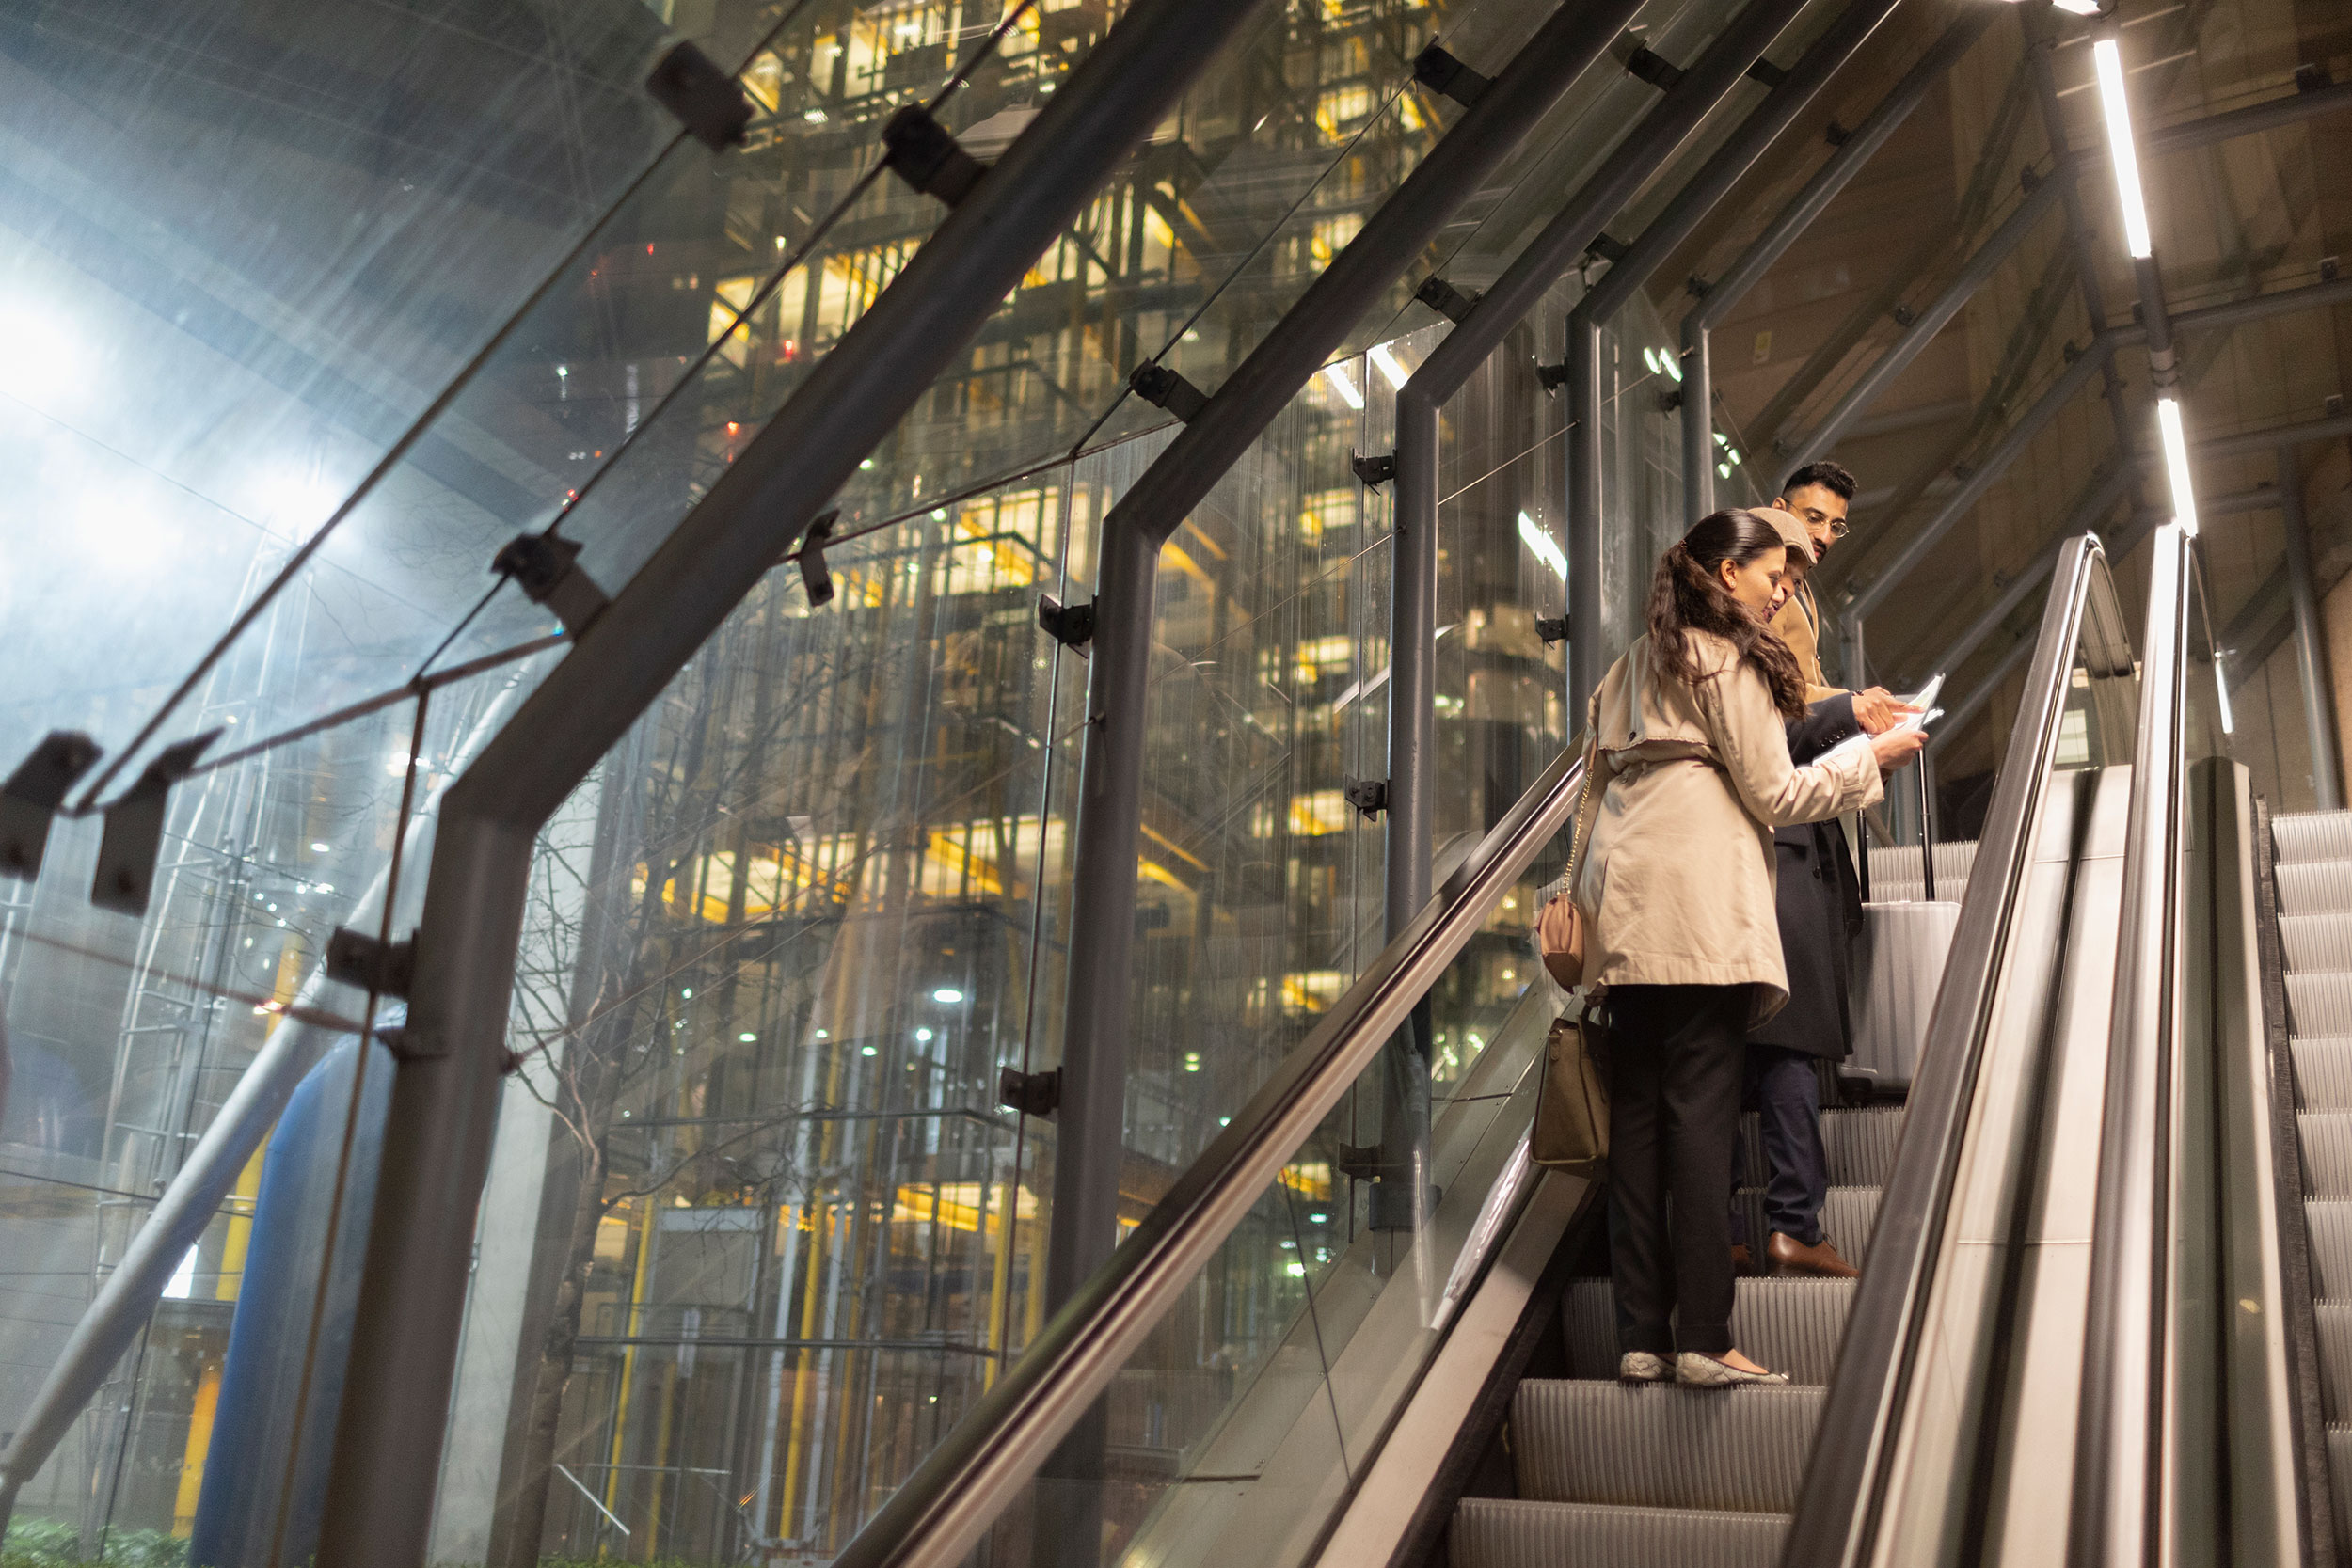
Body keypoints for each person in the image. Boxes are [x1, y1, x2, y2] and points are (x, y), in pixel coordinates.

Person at [1572, 509, 1924, 1387]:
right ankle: (1704, 1335)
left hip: (1627, 916)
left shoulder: (1626, 668)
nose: (1781, 592)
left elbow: (1588, 804)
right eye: (1773, 577)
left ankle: (1640, 1335)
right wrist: (1870, 756)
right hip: (1698, 913)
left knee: (1641, 1127)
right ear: (1727, 574)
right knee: (1700, 1122)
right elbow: (1774, 791)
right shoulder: (1722, 656)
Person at [1735, 466, 1912, 1280]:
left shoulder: (1793, 594)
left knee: (1772, 1043)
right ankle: (1793, 1222)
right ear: (1773, 512)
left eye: (1836, 524)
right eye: (1810, 518)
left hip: (1786, 835)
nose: (1822, 537)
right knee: (1790, 1039)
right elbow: (1776, 720)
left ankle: (1768, 1222)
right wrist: (1851, 716)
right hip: (1777, 839)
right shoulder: (1751, 602)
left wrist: (1853, 706)